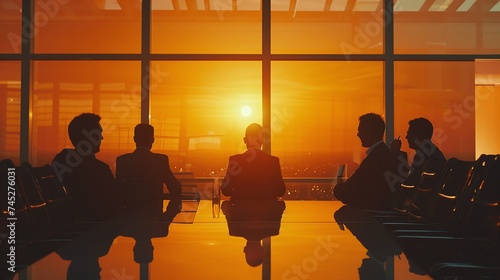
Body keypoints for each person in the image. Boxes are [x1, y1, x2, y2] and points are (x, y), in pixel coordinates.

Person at [52, 113, 122, 222]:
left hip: (67, 224)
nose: (102, 137)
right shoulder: (100, 170)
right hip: (94, 228)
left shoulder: (60, 161)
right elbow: (115, 205)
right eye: (98, 134)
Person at [333, 113, 399, 210]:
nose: (358, 134)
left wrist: (338, 188)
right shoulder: (382, 154)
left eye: (360, 130)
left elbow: (350, 190)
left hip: (372, 216)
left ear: (370, 132)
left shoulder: (375, 159)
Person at [115, 123, 181, 211]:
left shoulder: (122, 161)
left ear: (134, 139)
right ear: (152, 140)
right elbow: (175, 188)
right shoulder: (160, 160)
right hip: (154, 217)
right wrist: (164, 220)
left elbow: (117, 190)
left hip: (129, 218)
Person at [220, 123, 286, 200]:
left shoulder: (235, 160)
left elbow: (226, 191)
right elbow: (280, 191)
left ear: (245, 140)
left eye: (245, 139)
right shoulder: (273, 161)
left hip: (240, 210)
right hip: (266, 211)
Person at [391, 117, 446, 186]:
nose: (406, 137)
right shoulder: (432, 152)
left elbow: (408, 183)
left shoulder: (423, 156)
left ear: (419, 135)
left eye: (409, 133)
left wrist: (396, 152)